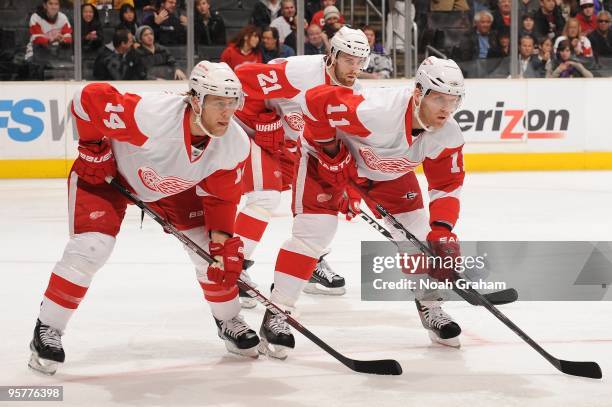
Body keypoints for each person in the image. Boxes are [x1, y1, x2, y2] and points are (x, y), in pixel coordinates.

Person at [28, 61, 258, 376]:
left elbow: (220, 198)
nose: (227, 112)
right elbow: (88, 97)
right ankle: (48, 328)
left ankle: (229, 319)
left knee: (207, 252)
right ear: (195, 100)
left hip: (174, 188)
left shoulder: (234, 143)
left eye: (233, 103)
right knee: (91, 248)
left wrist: (221, 247)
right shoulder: (151, 116)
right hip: (109, 175)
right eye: (219, 102)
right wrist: (93, 146)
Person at [241, 56, 467, 358]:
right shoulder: (374, 110)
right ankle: (277, 312)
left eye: (453, 100)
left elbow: (446, 185)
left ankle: (431, 306)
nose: (446, 108)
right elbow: (314, 101)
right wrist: (334, 156)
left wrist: (442, 230)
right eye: (438, 98)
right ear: (418, 94)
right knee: (314, 234)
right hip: (325, 164)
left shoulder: (448, 134)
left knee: (417, 233)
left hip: (389, 173)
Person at [232, 26, 370, 332]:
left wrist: (349, 183)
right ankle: (235, 267)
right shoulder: (299, 72)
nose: (356, 69)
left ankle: (312, 260)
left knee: (319, 207)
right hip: (256, 133)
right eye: (349, 60)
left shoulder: (354, 93)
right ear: (332, 55)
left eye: (361, 61)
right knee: (264, 198)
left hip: (294, 146)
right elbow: (241, 79)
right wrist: (262, 118)